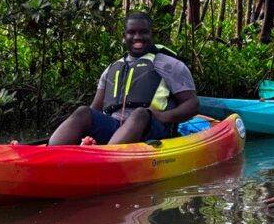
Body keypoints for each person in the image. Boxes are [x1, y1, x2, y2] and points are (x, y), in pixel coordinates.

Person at [48, 11, 199, 146]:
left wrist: (163, 116)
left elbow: (192, 104)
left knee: (140, 113)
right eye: (132, 32)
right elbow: (96, 108)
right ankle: (49, 155)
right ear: (124, 36)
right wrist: (87, 136)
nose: (137, 37)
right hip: (115, 129)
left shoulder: (170, 65)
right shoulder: (111, 69)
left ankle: (108, 159)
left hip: (151, 128)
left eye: (143, 32)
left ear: (151, 34)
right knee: (83, 112)